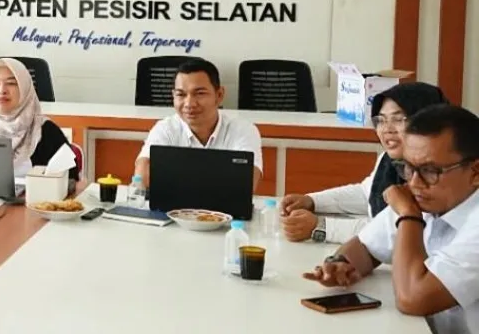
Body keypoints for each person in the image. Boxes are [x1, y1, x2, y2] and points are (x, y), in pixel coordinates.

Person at [301, 104, 479, 334]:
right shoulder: (429, 194)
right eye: (407, 168)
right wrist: (339, 264)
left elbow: (413, 299)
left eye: (431, 171)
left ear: (475, 171)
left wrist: (408, 215)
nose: (416, 183)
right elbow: (363, 248)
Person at [281, 82, 448, 243]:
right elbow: (367, 193)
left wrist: (321, 226)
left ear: (427, 121)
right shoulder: (389, 160)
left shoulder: (437, 172)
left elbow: (395, 233)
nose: (387, 129)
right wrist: (312, 201)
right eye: (381, 120)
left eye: (398, 119)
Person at [133, 58, 263, 189]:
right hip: (172, 209)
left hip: (223, 210)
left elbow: (246, 184)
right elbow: (142, 176)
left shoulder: (243, 130)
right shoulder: (166, 128)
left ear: (219, 95)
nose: (189, 104)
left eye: (200, 93)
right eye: (181, 94)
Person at [0, 58, 79, 181]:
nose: (2, 90)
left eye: (11, 83)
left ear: (25, 87)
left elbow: (71, 181)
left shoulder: (46, 133)